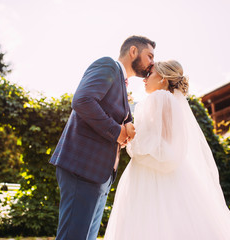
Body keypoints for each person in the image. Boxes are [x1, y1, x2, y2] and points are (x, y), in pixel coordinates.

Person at [104, 60, 230, 240]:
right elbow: (164, 141)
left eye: (150, 74)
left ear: (163, 79)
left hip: (150, 173)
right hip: (173, 171)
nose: (144, 79)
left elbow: (151, 143)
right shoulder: (173, 102)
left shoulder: (159, 98)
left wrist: (129, 136)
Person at [49, 35, 156, 240]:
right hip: (83, 168)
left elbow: (116, 115)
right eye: (149, 56)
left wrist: (125, 131)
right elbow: (83, 100)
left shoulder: (123, 84)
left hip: (99, 174)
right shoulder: (108, 66)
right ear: (133, 51)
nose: (152, 63)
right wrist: (117, 132)